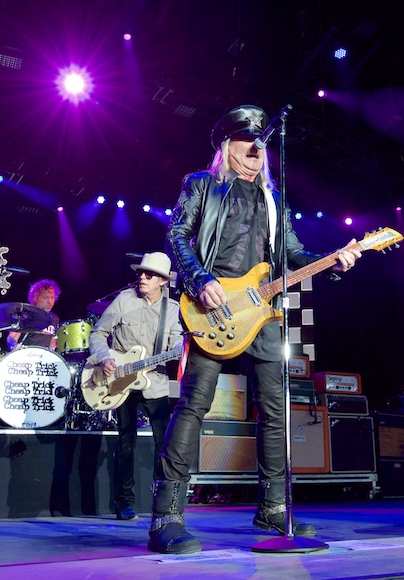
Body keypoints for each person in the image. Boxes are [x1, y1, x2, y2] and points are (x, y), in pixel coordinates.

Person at [147, 104, 361, 554]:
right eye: (248, 142)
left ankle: (272, 509)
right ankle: (166, 513)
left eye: (262, 145)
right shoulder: (202, 185)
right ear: (227, 146)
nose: (257, 151)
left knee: (276, 412)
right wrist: (200, 280)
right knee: (193, 407)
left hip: (261, 313)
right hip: (212, 309)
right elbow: (177, 236)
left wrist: (335, 260)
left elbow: (293, 255)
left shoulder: (273, 199)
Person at [85, 252, 182, 521]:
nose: (142, 277)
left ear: (162, 280)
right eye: (140, 273)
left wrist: (181, 349)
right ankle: (124, 503)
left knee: (165, 445)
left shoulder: (172, 310)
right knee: (125, 442)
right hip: (120, 381)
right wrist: (104, 357)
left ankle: (162, 502)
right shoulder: (124, 300)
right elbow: (98, 333)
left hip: (156, 383)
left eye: (149, 275)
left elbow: (177, 345)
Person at [7, 279, 60, 351]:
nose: (50, 302)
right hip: (26, 356)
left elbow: (52, 343)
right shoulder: (25, 315)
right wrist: (15, 346)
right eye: (46, 297)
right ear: (35, 297)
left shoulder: (54, 318)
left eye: (52, 297)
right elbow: (12, 338)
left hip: (44, 359)